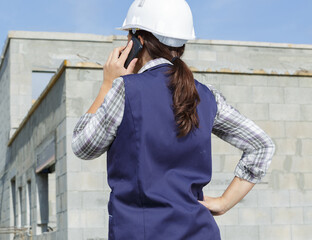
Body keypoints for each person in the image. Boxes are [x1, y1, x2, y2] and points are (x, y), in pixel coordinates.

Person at [71, 0, 275, 239]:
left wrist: (107, 84)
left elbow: (82, 146)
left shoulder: (125, 90)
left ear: (139, 42)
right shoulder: (207, 96)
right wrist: (224, 202)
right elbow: (262, 145)